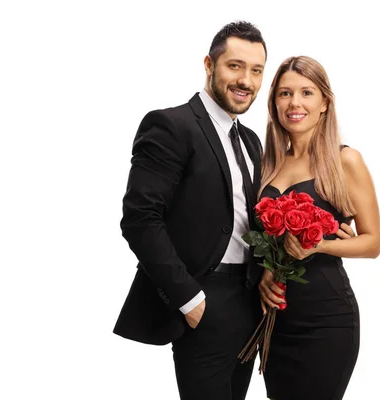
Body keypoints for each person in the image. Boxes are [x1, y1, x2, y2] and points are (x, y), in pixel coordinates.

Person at [113, 21, 268, 400]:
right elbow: (140, 219)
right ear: (209, 65)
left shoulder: (250, 140)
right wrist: (190, 299)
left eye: (256, 70)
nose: (246, 80)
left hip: (249, 303)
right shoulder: (171, 125)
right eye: (235, 66)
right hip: (202, 299)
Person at [257, 56, 380, 400]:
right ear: (274, 103)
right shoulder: (268, 163)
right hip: (276, 322)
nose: (294, 103)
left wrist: (322, 245)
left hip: (327, 320)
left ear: (325, 102)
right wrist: (266, 275)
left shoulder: (345, 161)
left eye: (306, 92)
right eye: (284, 93)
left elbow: (373, 243)